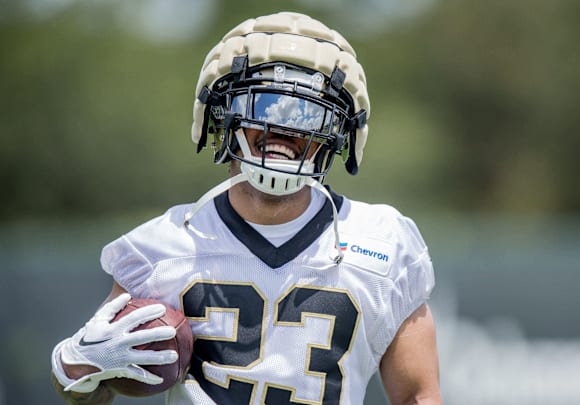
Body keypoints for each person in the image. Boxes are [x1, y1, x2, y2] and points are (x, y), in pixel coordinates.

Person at [50, 11, 441, 405]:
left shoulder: (384, 242)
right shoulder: (160, 247)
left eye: (309, 112)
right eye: (266, 104)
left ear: (337, 134)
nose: (284, 127)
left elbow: (418, 396)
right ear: (222, 113)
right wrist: (77, 367)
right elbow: (91, 392)